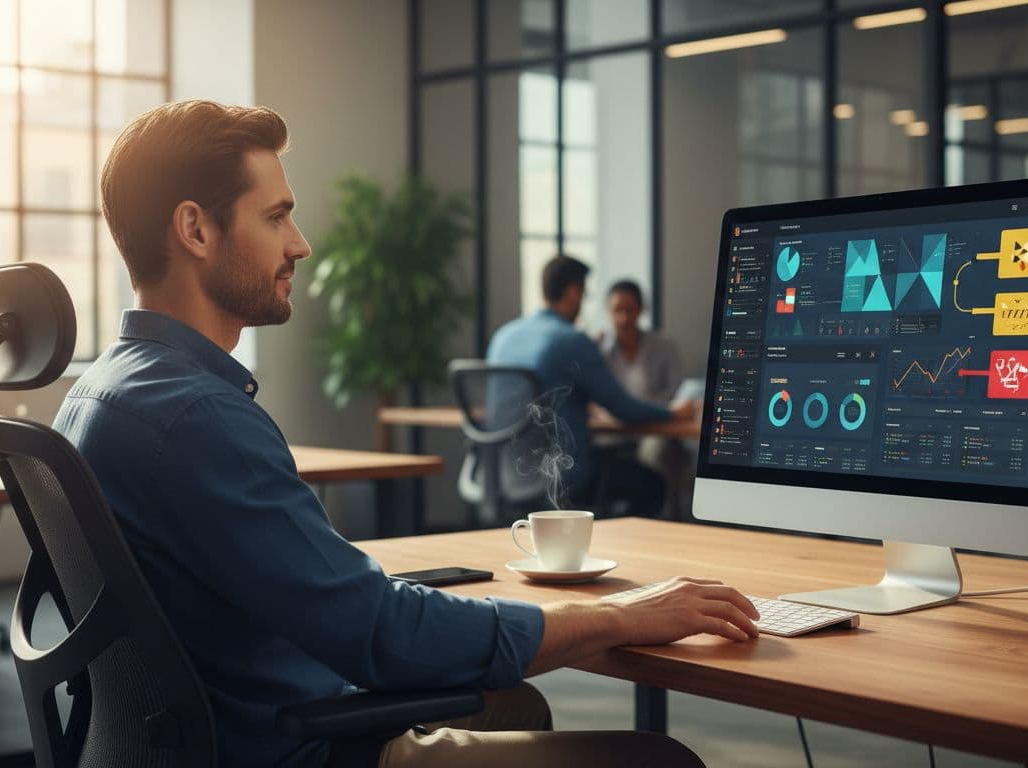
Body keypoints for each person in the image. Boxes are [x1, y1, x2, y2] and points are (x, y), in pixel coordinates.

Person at [55, 100, 759, 768]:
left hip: (187, 736)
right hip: (294, 749)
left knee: (512, 701)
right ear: (196, 230)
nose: (299, 245)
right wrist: (612, 618)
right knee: (662, 758)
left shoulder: (96, 397)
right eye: (276, 218)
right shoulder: (196, 417)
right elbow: (380, 637)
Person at [487, 256, 695, 517]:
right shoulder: (571, 340)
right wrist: (673, 413)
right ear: (574, 292)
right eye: (584, 294)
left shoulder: (503, 337)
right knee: (652, 485)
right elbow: (624, 408)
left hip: (505, 471)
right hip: (562, 471)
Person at [597, 279, 695, 519]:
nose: (623, 318)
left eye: (630, 309)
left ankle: (664, 518)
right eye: (617, 310)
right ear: (608, 312)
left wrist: (646, 409)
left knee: (655, 454)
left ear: (641, 310)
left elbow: (679, 393)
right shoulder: (598, 348)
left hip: (656, 428)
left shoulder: (662, 346)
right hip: (612, 433)